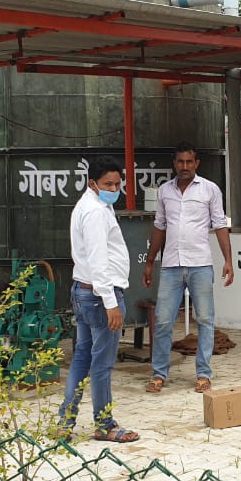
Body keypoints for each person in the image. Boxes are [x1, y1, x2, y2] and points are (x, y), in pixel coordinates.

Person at [142, 141, 234, 394]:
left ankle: (203, 374)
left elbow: (220, 225)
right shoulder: (164, 191)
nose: (185, 166)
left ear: (196, 163)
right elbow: (160, 226)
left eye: (189, 162)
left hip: (200, 264)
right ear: (175, 163)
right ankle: (159, 374)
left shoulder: (210, 190)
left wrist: (228, 260)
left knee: (204, 319)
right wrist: (150, 262)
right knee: (163, 321)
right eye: (180, 162)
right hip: (171, 265)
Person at [59, 155, 139, 443]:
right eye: (108, 184)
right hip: (99, 294)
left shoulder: (92, 205)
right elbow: (98, 260)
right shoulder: (94, 211)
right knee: (102, 364)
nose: (114, 189)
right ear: (92, 183)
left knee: (82, 357)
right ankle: (105, 425)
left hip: (85, 292)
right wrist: (110, 302)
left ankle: (65, 422)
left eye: (118, 184)